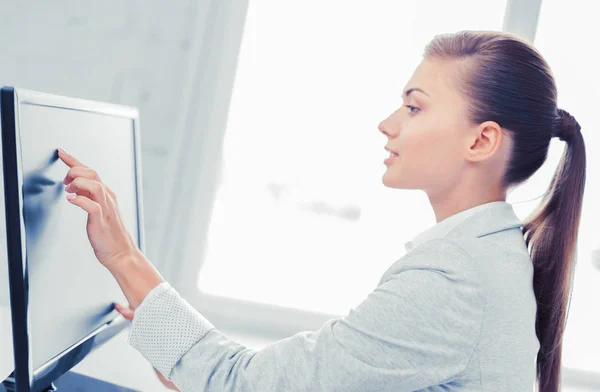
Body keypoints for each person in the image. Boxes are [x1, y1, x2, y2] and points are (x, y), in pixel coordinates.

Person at [57, 30, 586, 392]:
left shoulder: (454, 278)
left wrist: (122, 255)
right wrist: (195, 370)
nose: (388, 123)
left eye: (415, 106)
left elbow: (244, 384)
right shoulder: (488, 258)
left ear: (482, 141)